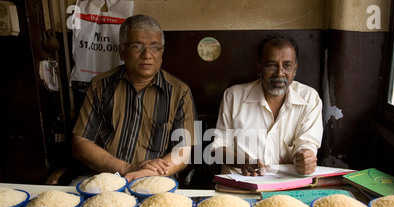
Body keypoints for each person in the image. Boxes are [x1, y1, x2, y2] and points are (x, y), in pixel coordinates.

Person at [71, 15, 197, 182]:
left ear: (162, 52)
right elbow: (81, 142)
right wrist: (126, 169)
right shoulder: (100, 86)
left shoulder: (179, 92)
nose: (147, 55)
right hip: (108, 177)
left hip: (156, 179)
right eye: (137, 46)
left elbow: (183, 152)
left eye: (155, 47)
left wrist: (148, 173)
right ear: (122, 51)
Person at [212, 34, 323, 176]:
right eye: (271, 66)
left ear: (295, 69)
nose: (279, 73)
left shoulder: (309, 98)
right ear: (259, 68)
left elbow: (307, 145)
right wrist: (244, 161)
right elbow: (218, 148)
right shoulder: (234, 96)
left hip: (287, 184)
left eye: (287, 66)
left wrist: (304, 159)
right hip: (242, 183)